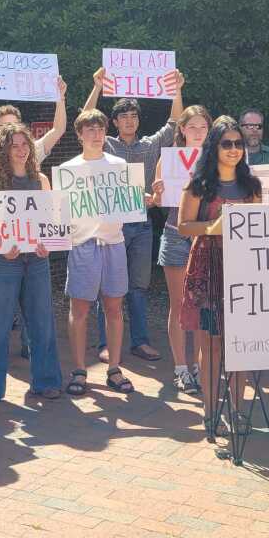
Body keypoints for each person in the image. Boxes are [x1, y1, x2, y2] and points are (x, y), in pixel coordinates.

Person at [83, 66, 185, 364]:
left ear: (138, 120)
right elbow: (85, 121)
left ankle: (139, 342)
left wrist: (176, 89)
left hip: (141, 227)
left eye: (133, 116)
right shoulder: (106, 144)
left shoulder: (150, 145)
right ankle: (105, 344)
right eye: (123, 117)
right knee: (109, 288)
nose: (129, 121)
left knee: (138, 287)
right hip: (109, 227)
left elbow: (175, 122)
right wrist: (98, 87)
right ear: (114, 122)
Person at [0, 124, 62, 406]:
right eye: (14, 145)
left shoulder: (41, 180)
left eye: (25, 145)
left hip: (36, 261)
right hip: (2, 261)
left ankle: (46, 381)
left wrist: (47, 244)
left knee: (42, 321)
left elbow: (51, 222)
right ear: (4, 150)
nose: (21, 151)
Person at [178, 118, 262, 437]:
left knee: (238, 346)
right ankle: (211, 412)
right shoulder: (198, 185)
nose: (234, 150)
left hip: (243, 269)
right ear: (214, 147)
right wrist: (212, 228)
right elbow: (184, 226)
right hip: (207, 266)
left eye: (238, 144)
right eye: (226, 144)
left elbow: (259, 227)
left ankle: (238, 411)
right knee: (211, 345)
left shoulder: (251, 186)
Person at [63, 109, 135, 397]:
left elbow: (131, 203)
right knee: (79, 309)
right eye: (89, 130)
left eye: (100, 129)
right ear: (79, 135)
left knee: (115, 307)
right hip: (82, 245)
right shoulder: (69, 170)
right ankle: (79, 369)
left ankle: (114, 368)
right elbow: (60, 214)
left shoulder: (119, 165)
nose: (96, 134)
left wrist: (149, 197)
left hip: (114, 244)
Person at [151, 105, 212, 394]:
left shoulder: (216, 160)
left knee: (202, 305)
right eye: (193, 127)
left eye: (203, 127)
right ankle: (181, 369)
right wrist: (158, 193)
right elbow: (157, 201)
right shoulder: (170, 161)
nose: (198, 132)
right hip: (176, 235)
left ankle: (200, 366)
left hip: (205, 237)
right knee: (179, 305)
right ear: (182, 130)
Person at [0, 72, 67, 171]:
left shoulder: (30, 150)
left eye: (15, 125)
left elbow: (58, 129)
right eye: (7, 125)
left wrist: (60, 97)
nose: (12, 129)